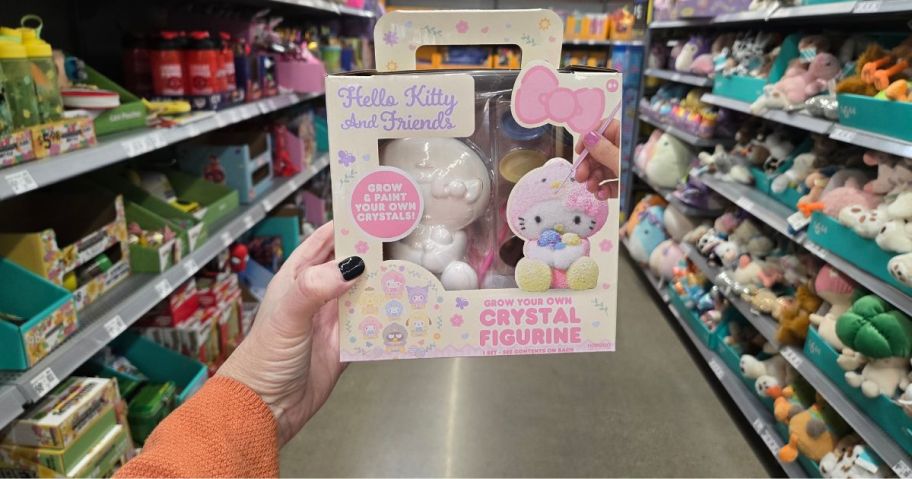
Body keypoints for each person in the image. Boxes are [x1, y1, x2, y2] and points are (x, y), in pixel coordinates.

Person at [115, 123, 621, 478]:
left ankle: (462, 279)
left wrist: (255, 395)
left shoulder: (474, 197)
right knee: (433, 259)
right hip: (403, 277)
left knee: (456, 260)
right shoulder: (412, 183)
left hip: (463, 259)